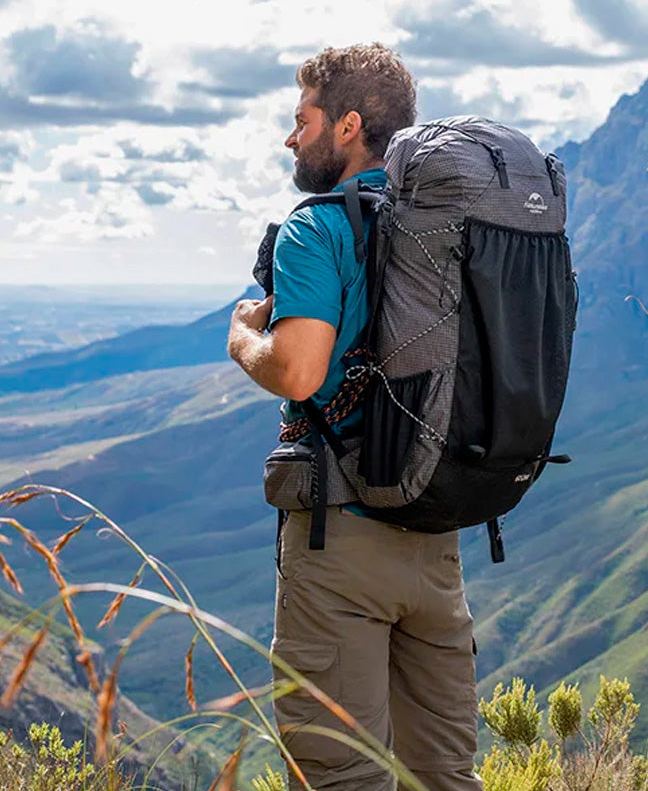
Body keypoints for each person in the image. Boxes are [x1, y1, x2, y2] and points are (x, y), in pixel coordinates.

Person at [227, 43, 484, 791]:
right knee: (443, 776)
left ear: (345, 126)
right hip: (438, 534)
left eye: (299, 120)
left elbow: (301, 369)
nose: (289, 137)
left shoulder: (318, 228)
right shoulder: (449, 228)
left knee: (340, 778)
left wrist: (245, 337)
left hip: (340, 541)